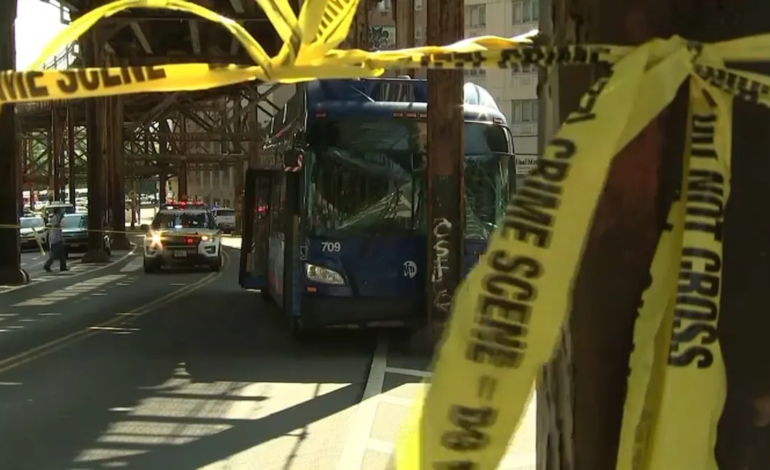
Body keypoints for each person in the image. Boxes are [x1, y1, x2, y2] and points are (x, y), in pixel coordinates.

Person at [44, 208, 67, 272]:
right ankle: (47, 265)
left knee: (61, 254)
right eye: (61, 210)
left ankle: (63, 266)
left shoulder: (58, 217)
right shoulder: (56, 217)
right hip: (55, 239)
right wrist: (59, 223)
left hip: (58, 238)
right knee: (54, 255)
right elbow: (55, 225)